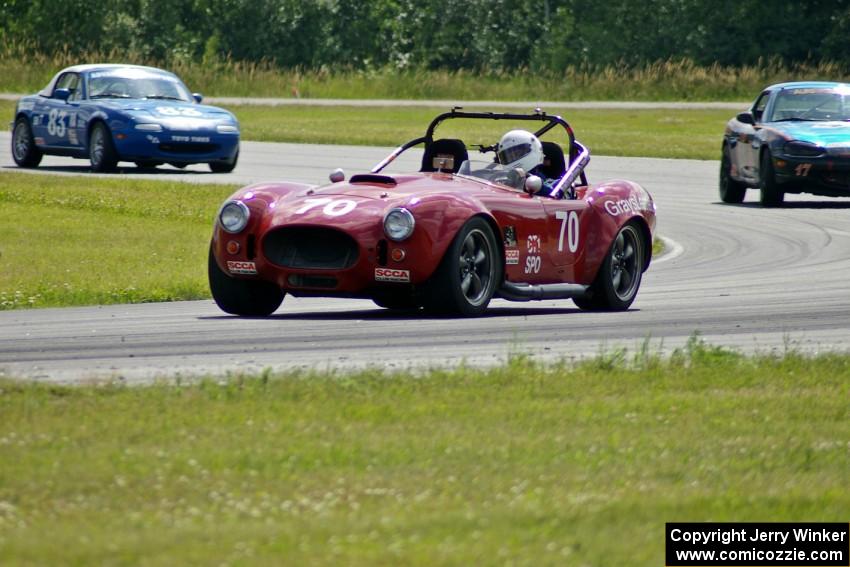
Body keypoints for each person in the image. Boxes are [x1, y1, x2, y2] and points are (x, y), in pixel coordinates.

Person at [496, 129, 559, 196]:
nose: (512, 159)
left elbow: (556, 197)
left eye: (517, 154)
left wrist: (536, 187)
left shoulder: (555, 184)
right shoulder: (502, 180)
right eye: (508, 157)